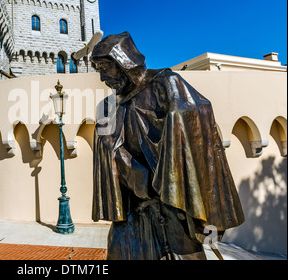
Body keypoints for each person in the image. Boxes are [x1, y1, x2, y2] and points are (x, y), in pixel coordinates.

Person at [91, 32, 245, 260]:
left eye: (105, 67)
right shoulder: (109, 106)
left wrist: (178, 118)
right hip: (133, 210)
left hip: (171, 208)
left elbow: (197, 115)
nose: (102, 77)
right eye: (98, 69)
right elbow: (109, 150)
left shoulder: (167, 85)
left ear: (124, 62)